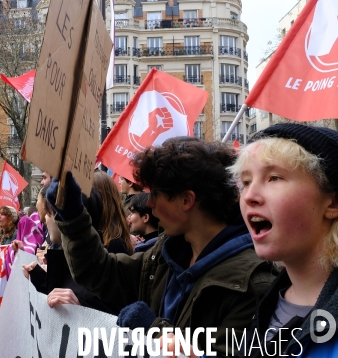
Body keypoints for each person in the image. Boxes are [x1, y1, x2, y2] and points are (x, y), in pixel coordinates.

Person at [47, 137, 275, 356]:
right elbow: (100, 273)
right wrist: (73, 216)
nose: (149, 204)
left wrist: (155, 333)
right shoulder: (167, 254)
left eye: (155, 194)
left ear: (187, 200)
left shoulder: (251, 286)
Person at [229, 124, 338, 357]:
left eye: (274, 178)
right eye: (245, 182)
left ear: (332, 203)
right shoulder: (270, 301)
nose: (249, 196)